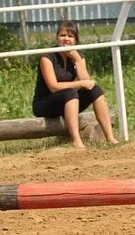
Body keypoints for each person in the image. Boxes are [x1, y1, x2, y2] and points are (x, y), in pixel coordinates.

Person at [32, 20, 118, 148]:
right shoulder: (47, 57)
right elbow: (53, 87)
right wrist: (80, 83)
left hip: (66, 101)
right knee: (70, 92)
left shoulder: (77, 57)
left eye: (70, 36)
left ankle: (110, 138)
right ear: (57, 38)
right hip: (45, 104)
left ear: (76, 40)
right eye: (62, 35)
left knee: (95, 90)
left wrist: (78, 60)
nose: (66, 39)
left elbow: (88, 83)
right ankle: (76, 141)